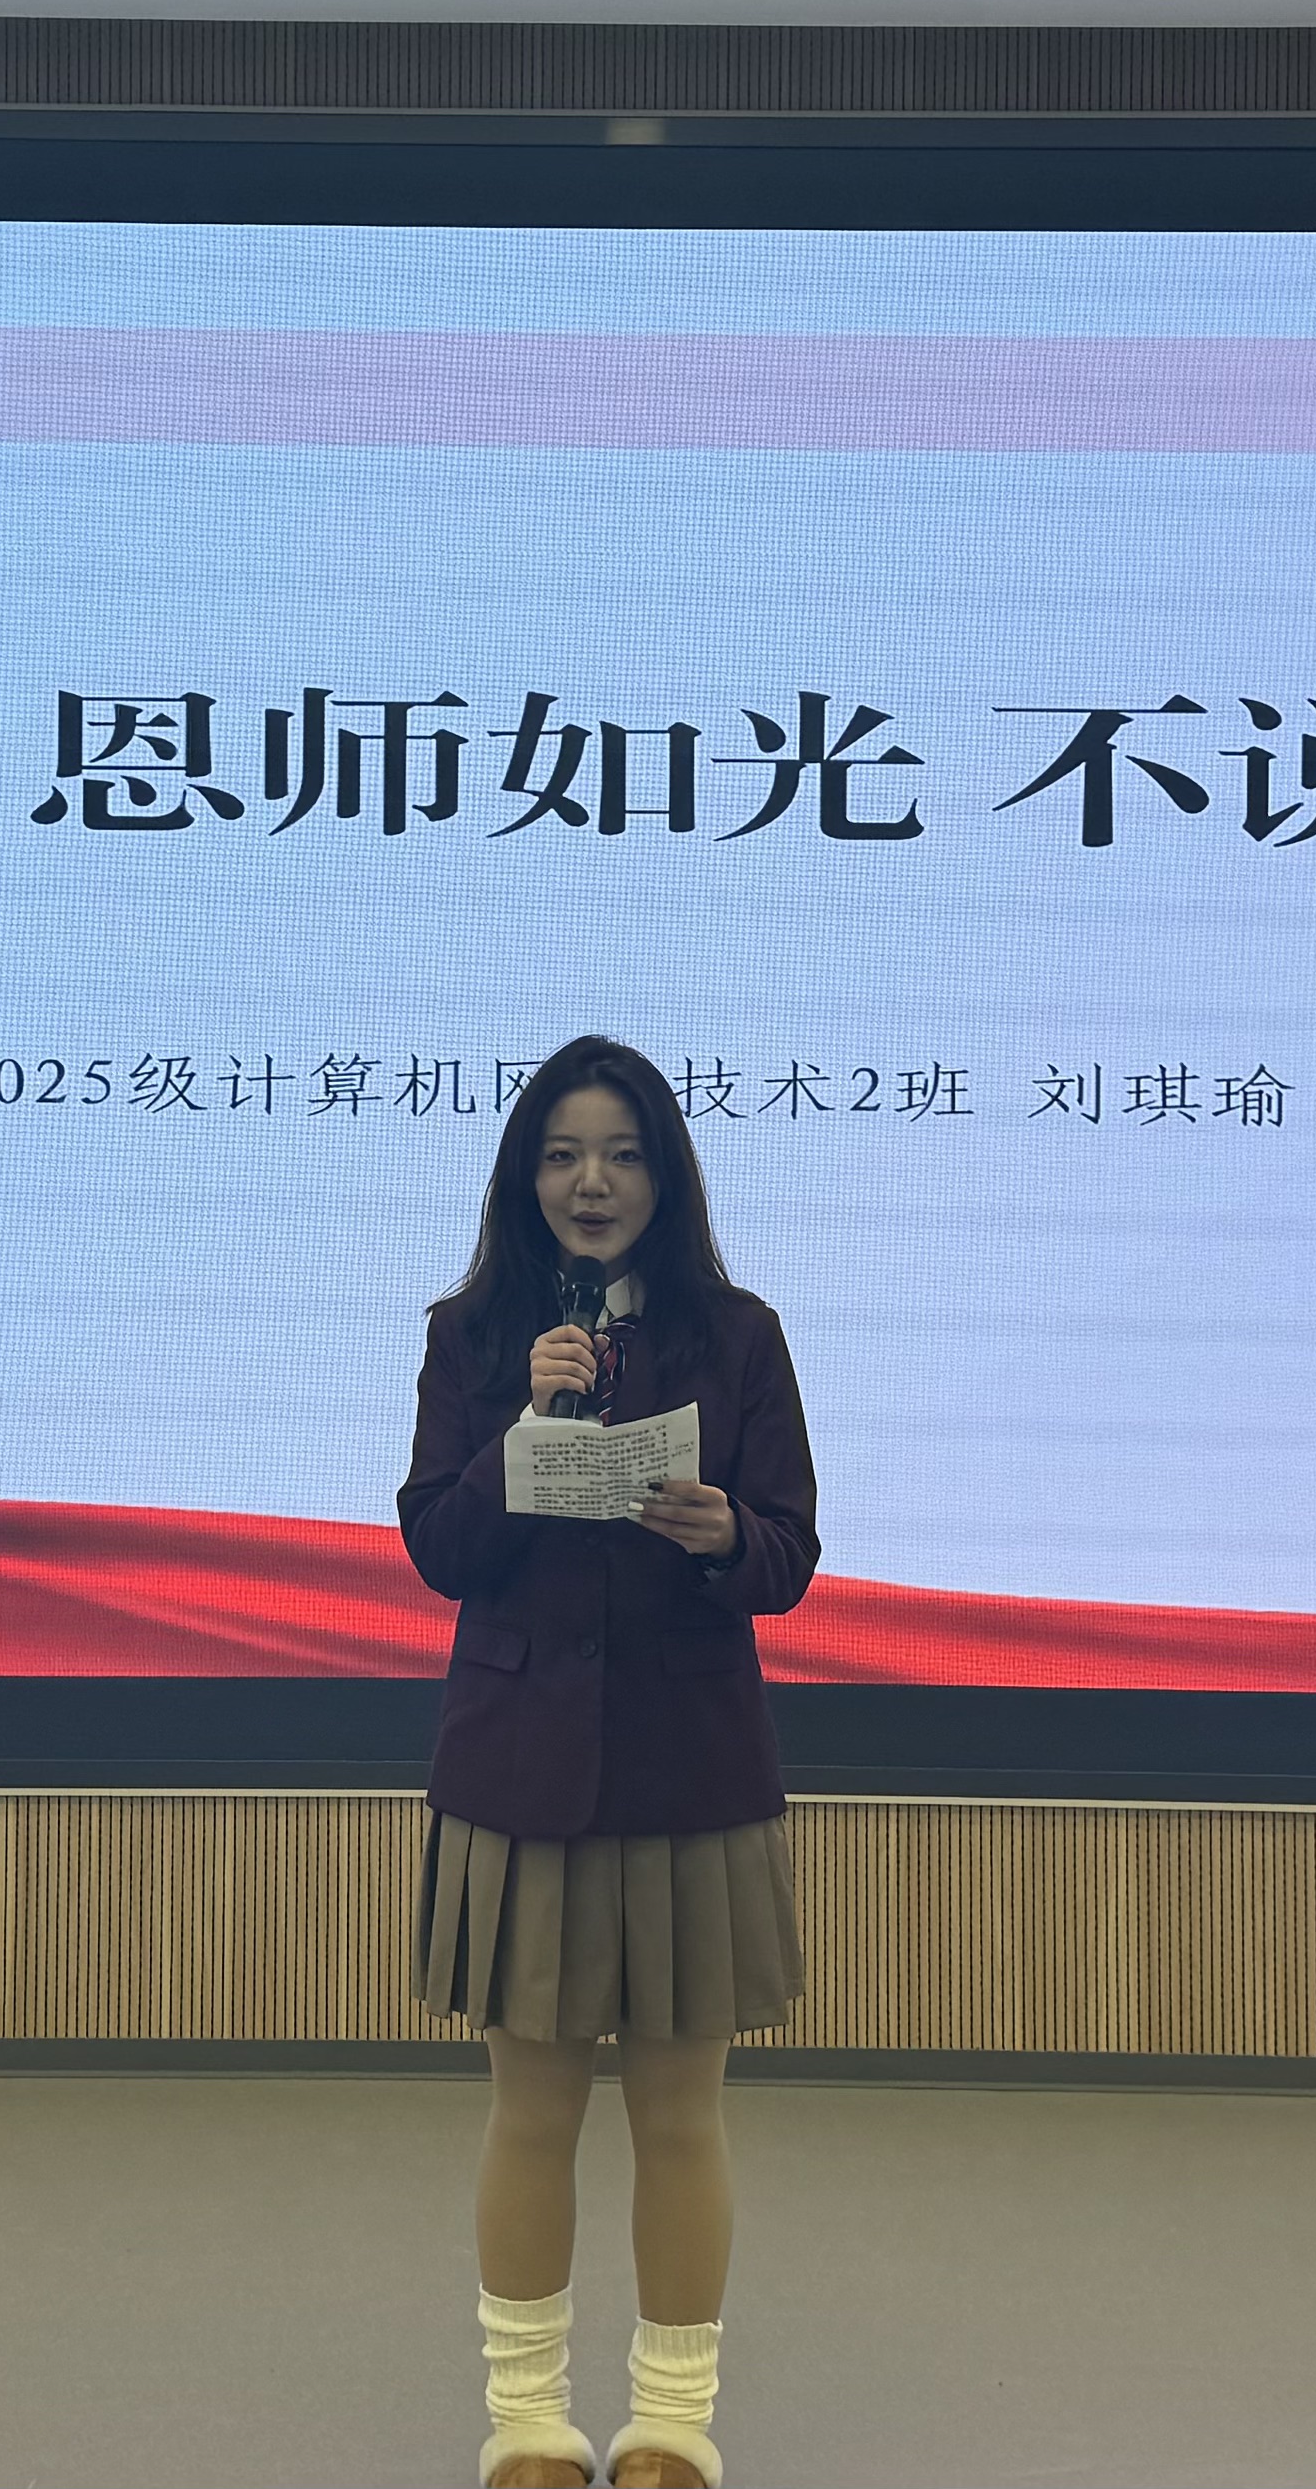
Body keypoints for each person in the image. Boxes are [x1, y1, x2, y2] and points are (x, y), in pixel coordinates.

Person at [399, 1034, 822, 2489]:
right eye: (566, 1154)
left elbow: (790, 1554)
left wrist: (725, 1536)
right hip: (520, 1772)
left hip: (686, 1769)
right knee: (532, 2112)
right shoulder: (473, 1334)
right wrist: (526, 1427)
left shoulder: (738, 1334)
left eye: (625, 1154)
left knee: (678, 2114)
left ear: (666, 1176)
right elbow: (439, 1545)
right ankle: (527, 2425)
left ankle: (670, 2429)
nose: (594, 1182)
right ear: (527, 1175)